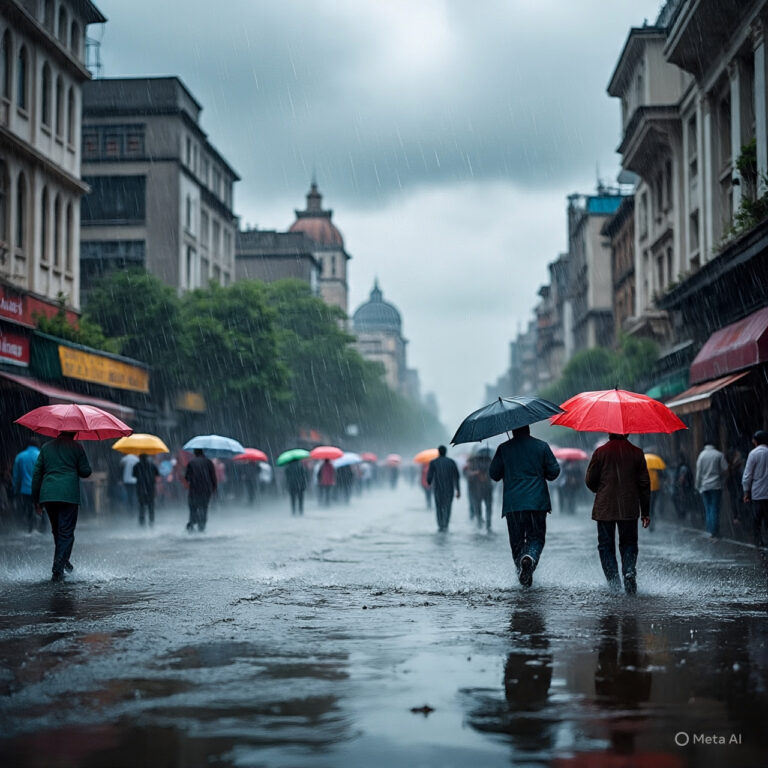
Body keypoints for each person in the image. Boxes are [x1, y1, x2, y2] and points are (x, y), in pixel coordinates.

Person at [490, 426, 559, 587]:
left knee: (516, 543)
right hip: (537, 503)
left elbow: (494, 474)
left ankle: (523, 573)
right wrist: (541, 471)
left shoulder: (503, 449)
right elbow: (554, 472)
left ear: (513, 431)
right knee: (536, 538)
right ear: (528, 429)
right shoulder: (542, 446)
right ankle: (530, 559)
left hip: (513, 505)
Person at [585, 433, 650, 595]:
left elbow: (590, 479)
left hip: (605, 506)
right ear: (627, 433)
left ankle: (613, 583)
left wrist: (600, 490)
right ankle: (628, 571)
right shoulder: (636, 452)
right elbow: (644, 484)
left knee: (606, 546)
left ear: (609, 433)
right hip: (628, 505)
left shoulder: (600, 452)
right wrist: (645, 512)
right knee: (628, 542)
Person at [30, 432, 92, 582]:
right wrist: (75, 464)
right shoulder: (77, 447)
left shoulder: (45, 447)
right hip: (68, 494)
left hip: (49, 494)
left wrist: (36, 500)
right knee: (66, 532)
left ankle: (63, 561)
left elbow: (37, 474)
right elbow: (86, 471)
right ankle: (58, 568)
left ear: (58, 431)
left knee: (57, 530)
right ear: (74, 433)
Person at [695, 441, 728, 539]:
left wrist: (697, 486)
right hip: (716, 486)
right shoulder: (719, 454)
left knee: (707, 508)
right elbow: (725, 468)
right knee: (714, 508)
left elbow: (698, 472)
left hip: (704, 486)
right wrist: (722, 479)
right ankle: (714, 531)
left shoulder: (701, 455)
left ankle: (709, 529)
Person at [743, 430, 768, 548]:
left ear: (756, 441)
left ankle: (758, 540)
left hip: (757, 492)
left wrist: (746, 491)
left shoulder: (753, 454)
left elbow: (748, 475)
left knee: (757, 518)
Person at [427, 445, 460, 532]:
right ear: (446, 452)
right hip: (449, 489)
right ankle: (446, 524)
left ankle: (440, 525)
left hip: (438, 489)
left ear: (438, 452)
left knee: (438, 507)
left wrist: (429, 482)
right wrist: (458, 490)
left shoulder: (433, 462)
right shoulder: (452, 462)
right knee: (448, 507)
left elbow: (429, 477)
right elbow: (456, 476)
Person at [184, 449, 217, 532]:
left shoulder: (191, 463)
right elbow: (213, 476)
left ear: (195, 453)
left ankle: (192, 523)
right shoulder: (209, 462)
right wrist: (214, 488)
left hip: (194, 489)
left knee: (193, 508)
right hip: (206, 489)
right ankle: (202, 526)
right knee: (204, 507)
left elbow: (187, 478)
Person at [12, 441, 41, 533]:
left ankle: (29, 529)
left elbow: (16, 476)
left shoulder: (20, 456)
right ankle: (42, 530)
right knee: (40, 511)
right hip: (40, 490)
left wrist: (15, 488)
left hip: (25, 489)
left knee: (28, 510)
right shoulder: (42, 455)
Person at [133, 453, 159, 526]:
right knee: (151, 506)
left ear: (140, 458)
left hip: (141, 488)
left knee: (142, 506)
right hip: (151, 488)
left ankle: (142, 522)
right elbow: (157, 474)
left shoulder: (137, 466)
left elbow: (134, 475)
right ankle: (151, 521)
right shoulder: (152, 465)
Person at [672, 453, 694, 520]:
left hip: (683, 488)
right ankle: (682, 514)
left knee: (681, 500)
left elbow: (682, 478)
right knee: (681, 500)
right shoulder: (682, 466)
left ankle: (683, 514)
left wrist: (678, 484)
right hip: (684, 487)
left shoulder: (683, 467)